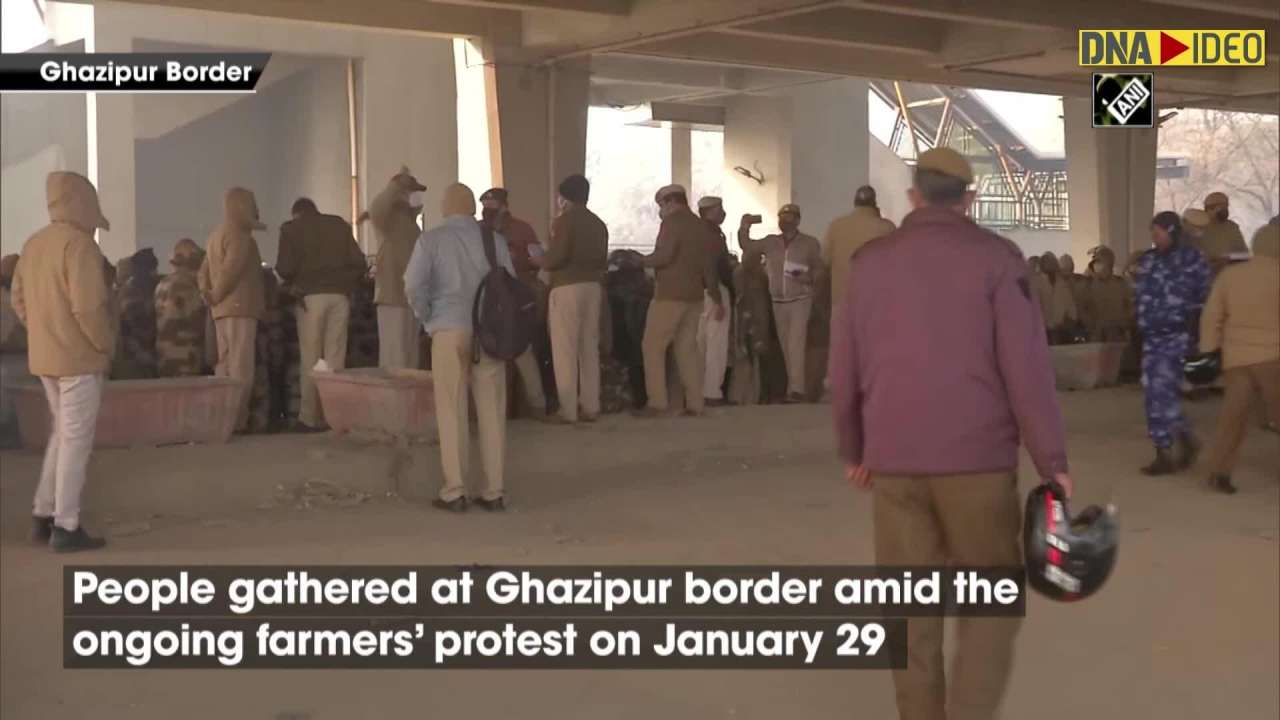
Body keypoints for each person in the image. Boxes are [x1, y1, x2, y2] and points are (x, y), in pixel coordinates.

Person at [830, 148, 1071, 720]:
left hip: (895, 465)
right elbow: (1027, 369)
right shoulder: (998, 259)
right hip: (977, 466)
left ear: (914, 196)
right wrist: (1050, 459)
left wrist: (854, 448)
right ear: (970, 197)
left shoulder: (869, 263)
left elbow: (845, 367)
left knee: (910, 612)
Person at [10, 171, 116, 552]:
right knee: (75, 442)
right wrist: (104, 346)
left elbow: (18, 300)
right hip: (79, 360)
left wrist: (44, 331)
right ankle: (66, 526)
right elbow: (89, 308)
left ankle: (43, 512)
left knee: (61, 435)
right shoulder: (80, 246)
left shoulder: (33, 244)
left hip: (45, 359)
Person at [404, 183, 512, 512]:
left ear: (445, 208)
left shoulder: (431, 239)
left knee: (451, 409)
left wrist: (427, 317)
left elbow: (412, 284)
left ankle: (455, 491)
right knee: (492, 411)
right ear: (471, 209)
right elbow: (510, 282)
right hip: (490, 335)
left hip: (448, 331)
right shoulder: (494, 240)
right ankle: (494, 492)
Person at [1199, 224, 1279, 494]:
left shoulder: (1230, 276)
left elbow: (1211, 316)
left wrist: (1209, 349)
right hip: (1272, 357)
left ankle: (1219, 472)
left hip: (1236, 359)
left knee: (1232, 418)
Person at [276, 198, 367, 431]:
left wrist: (294, 283)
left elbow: (285, 268)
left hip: (310, 299)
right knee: (335, 359)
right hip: (340, 297)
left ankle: (309, 417)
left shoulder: (290, 229)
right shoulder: (338, 225)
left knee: (312, 358)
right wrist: (346, 285)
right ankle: (334, 416)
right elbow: (359, 262)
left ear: (296, 213)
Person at [1133, 211, 1211, 476]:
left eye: (1159, 232)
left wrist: (1198, 334)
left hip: (1177, 335)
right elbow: (1139, 295)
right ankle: (1182, 440)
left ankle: (1165, 450)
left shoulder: (1192, 259)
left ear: (1173, 231)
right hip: (1151, 336)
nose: (1154, 237)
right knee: (1154, 392)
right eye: (1152, 232)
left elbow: (1204, 295)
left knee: (1161, 392)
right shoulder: (1148, 260)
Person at [638, 185, 723, 417]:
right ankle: (695, 404)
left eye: (661, 205)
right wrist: (715, 296)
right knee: (687, 349)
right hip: (695, 296)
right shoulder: (699, 225)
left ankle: (657, 402)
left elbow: (664, 256)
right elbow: (709, 266)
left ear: (670, 202)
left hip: (669, 295)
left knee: (652, 346)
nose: (660, 211)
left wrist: (637, 261)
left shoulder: (672, 223)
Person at [533, 175, 609, 424]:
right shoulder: (599, 223)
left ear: (565, 197)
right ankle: (591, 406)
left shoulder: (564, 221)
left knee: (565, 349)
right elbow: (601, 259)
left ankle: (568, 410)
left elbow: (557, 257)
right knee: (589, 348)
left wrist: (540, 259)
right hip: (593, 287)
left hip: (567, 287)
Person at [198, 186, 268, 434]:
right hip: (240, 308)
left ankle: (221, 421)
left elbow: (203, 271)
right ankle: (236, 422)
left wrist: (209, 296)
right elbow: (232, 270)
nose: (255, 209)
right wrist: (216, 294)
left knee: (224, 366)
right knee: (240, 369)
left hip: (220, 311)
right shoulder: (240, 235)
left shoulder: (215, 235)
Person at [738, 203, 823, 402]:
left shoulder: (809, 243)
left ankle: (797, 390)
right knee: (786, 345)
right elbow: (747, 246)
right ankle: (792, 389)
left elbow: (819, 268)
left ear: (798, 220)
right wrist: (744, 226)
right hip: (778, 301)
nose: (785, 221)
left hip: (801, 299)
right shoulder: (770, 242)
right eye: (782, 217)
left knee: (795, 343)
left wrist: (807, 277)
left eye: (790, 217)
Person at [481, 187, 552, 418]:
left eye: (493, 206)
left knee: (522, 349)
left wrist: (517, 259)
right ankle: (497, 409)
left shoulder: (523, 229)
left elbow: (537, 260)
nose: (488, 210)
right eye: (486, 206)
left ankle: (536, 405)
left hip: (517, 296)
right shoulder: (478, 230)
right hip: (488, 298)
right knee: (490, 352)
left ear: (504, 206)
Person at [362, 167, 427, 370]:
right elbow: (377, 208)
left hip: (411, 297)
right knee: (395, 355)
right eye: (409, 191)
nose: (412, 196)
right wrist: (395, 186)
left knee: (410, 356)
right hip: (392, 295)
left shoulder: (412, 225)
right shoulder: (387, 220)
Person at [823, 185, 895, 313]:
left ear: (855, 202)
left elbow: (825, 260)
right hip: (874, 299)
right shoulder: (887, 227)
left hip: (842, 297)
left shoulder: (837, 226)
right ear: (874, 203)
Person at [696, 196, 734, 407]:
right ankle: (712, 392)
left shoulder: (694, 231)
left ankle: (697, 391)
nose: (722, 213)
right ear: (709, 211)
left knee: (699, 344)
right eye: (719, 209)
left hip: (696, 292)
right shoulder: (711, 235)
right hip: (714, 291)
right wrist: (718, 299)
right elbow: (711, 268)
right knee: (716, 344)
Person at [154, 239, 209, 377]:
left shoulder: (162, 284)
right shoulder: (187, 286)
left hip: (164, 356)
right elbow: (198, 320)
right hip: (185, 359)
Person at [111, 248, 160, 380]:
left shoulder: (129, 291)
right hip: (136, 359)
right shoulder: (132, 293)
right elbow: (136, 328)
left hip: (137, 356)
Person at [1085, 247, 1134, 342]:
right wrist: (1090, 324)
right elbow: (1083, 307)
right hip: (1097, 334)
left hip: (1118, 333)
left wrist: (1125, 323)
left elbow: (1130, 305)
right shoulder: (1088, 285)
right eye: (1096, 262)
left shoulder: (1121, 284)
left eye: (1100, 262)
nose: (1097, 265)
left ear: (1109, 264)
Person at [1031, 252, 1077, 345]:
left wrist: (1071, 319)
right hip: (1042, 330)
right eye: (1047, 262)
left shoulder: (1062, 283)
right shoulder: (1036, 283)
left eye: (1052, 262)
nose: (1050, 265)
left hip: (1061, 329)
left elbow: (1070, 305)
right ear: (1042, 265)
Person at [1198, 192, 1248, 270]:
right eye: (1222, 207)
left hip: (1231, 272)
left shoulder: (1232, 227)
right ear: (1210, 208)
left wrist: (1229, 258)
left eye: (1226, 206)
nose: (1226, 210)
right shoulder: (1196, 228)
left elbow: (1244, 254)